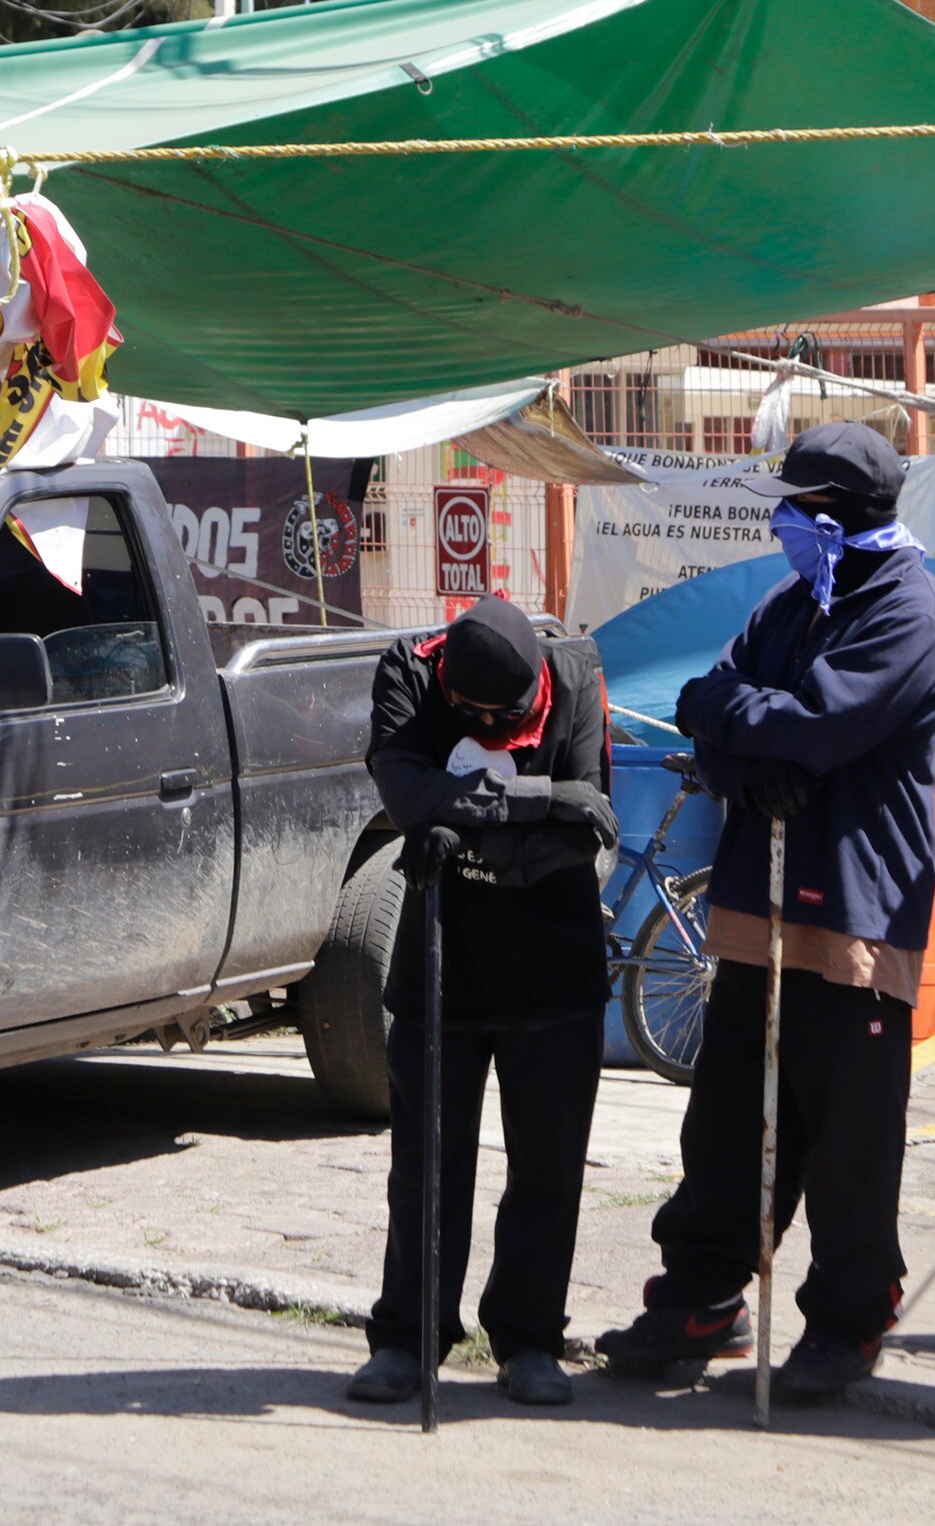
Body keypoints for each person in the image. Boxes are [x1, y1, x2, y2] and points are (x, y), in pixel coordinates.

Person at [594, 422, 935, 1404]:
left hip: (853, 906)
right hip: (754, 902)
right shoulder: (788, 602)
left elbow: (821, 725)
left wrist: (739, 726)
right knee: (725, 1126)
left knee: (845, 1135)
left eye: (795, 506)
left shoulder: (910, 613)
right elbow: (703, 703)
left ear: (835, 515)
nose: (782, 520)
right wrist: (739, 747)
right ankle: (700, 1298)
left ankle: (847, 1316)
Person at [344, 595, 617, 1411]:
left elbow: (587, 826)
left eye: (511, 718)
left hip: (553, 964)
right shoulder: (408, 670)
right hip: (442, 959)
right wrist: (535, 801)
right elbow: (403, 790)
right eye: (475, 718)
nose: (496, 726)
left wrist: (458, 819)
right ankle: (409, 1336)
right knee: (426, 1164)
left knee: (548, 1166)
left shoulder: (576, 674)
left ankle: (529, 1338)